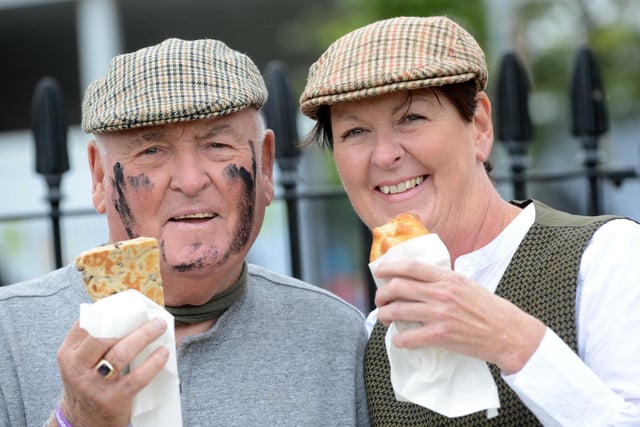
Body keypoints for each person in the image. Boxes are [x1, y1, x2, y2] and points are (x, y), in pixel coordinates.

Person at [0, 38, 369, 426]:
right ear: (98, 177)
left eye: (218, 144)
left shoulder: (336, 336)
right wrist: (74, 421)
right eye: (152, 151)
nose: (191, 182)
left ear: (266, 165)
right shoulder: (9, 335)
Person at [299, 15, 640, 426]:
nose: (384, 155)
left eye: (411, 118)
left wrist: (516, 344)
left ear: (478, 126)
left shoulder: (606, 258)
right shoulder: (372, 334)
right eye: (355, 132)